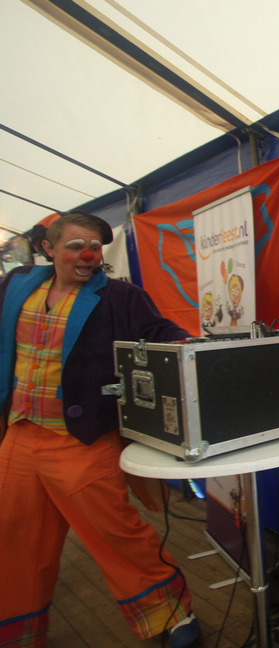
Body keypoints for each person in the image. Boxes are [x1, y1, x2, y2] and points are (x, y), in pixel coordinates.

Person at [0, 212, 201, 647]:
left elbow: (158, 331)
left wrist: (187, 344)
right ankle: (18, 631)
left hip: (81, 437)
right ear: (49, 248)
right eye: (76, 246)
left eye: (94, 247)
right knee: (14, 536)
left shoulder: (120, 296)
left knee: (114, 532)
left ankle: (171, 613)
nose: (88, 255)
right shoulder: (16, 285)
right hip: (19, 434)